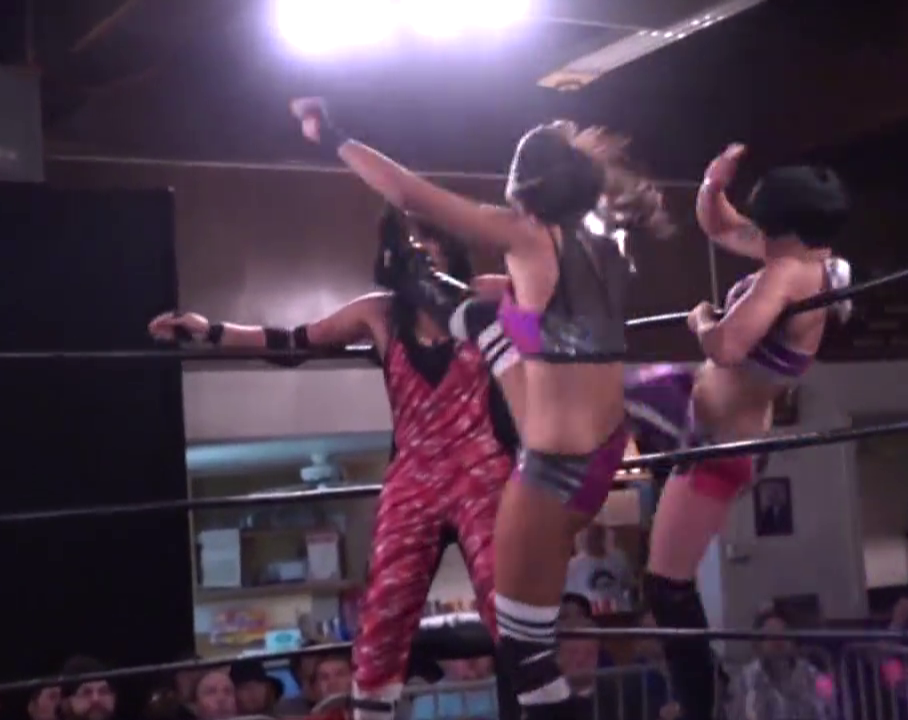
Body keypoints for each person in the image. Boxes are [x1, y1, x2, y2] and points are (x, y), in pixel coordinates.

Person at [287, 97, 669, 720]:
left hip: (552, 469)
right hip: (605, 455)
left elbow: (408, 194)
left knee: (525, 651)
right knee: (485, 322)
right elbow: (545, 329)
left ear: (523, 190)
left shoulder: (526, 234)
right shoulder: (605, 242)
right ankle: (457, 310)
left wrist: (332, 136)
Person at [148, 206, 521, 720]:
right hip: (415, 475)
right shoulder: (380, 313)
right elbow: (292, 342)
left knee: (513, 605)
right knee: (382, 617)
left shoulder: (487, 296)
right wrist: (210, 330)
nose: (422, 252)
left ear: (449, 245)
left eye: (430, 240)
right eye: (411, 242)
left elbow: (558, 295)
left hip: (482, 465)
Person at [623, 144, 852, 720]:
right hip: (703, 421)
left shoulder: (788, 274)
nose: (759, 236)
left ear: (788, 229)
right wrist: (711, 185)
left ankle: (703, 703)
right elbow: (721, 227)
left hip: (720, 447)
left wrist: (701, 318)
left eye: (767, 227)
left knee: (667, 585)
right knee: (621, 395)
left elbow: (726, 346)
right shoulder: (799, 254)